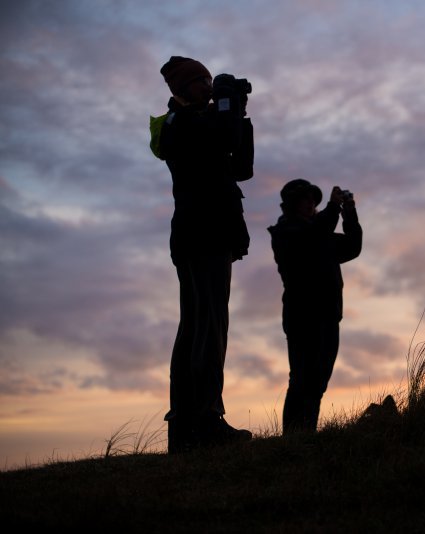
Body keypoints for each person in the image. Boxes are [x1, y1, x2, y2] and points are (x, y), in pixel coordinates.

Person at [150, 56, 254, 453]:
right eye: (201, 82)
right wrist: (227, 104)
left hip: (207, 235)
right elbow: (221, 140)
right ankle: (205, 422)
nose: (209, 87)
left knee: (197, 325)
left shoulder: (202, 120)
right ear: (180, 88)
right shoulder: (181, 124)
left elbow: (240, 167)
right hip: (202, 234)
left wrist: (238, 109)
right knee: (207, 327)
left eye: (211, 81)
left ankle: (189, 427)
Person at [268, 180, 363, 433]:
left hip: (329, 315)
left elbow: (353, 247)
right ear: (291, 204)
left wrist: (349, 212)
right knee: (301, 378)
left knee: (318, 382)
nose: (311, 203)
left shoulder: (320, 232)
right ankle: (293, 438)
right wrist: (333, 208)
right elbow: (314, 237)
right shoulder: (286, 233)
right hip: (302, 316)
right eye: (304, 199)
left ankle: (306, 436)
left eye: (313, 199)